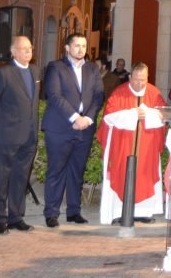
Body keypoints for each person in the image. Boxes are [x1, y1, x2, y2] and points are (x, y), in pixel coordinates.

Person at [41, 32, 104, 228]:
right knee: (57, 170)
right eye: (77, 45)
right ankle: (51, 213)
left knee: (77, 171)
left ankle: (74, 211)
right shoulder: (55, 67)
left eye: (83, 46)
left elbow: (98, 96)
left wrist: (88, 119)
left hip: (84, 129)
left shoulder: (92, 69)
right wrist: (75, 118)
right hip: (60, 128)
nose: (81, 49)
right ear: (67, 48)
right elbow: (54, 95)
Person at [96, 62, 167, 225]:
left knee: (145, 176)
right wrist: (132, 114)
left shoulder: (154, 93)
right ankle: (119, 212)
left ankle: (143, 212)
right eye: (136, 79)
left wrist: (149, 114)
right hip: (123, 145)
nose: (140, 83)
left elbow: (163, 115)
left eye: (143, 80)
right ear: (130, 77)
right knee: (121, 174)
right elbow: (109, 117)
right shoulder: (119, 93)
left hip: (147, 148)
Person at [0, 36, 40, 234]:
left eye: (30, 48)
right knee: (1, 178)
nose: (28, 51)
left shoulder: (35, 71)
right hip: (7, 135)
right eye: (23, 48)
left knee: (20, 178)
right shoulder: (3, 73)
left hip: (29, 136)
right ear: (13, 51)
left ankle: (16, 217)